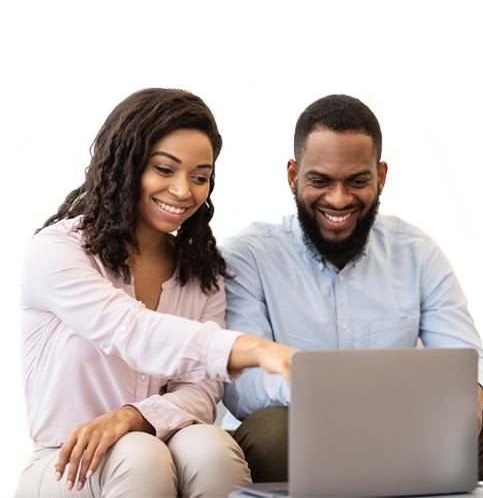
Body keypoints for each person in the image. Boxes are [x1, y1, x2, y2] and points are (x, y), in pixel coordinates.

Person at [221, 94, 483, 482]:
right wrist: (337, 394)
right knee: (270, 434)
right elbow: (242, 386)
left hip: (402, 430)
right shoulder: (247, 257)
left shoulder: (417, 253)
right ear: (294, 176)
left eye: (357, 181)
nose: (338, 199)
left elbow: (472, 361)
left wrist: (470, 395)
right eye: (320, 180)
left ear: (380, 177)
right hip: (302, 430)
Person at [16, 88, 295, 498]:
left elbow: (201, 391)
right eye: (165, 169)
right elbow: (130, 329)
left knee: (212, 448)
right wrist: (256, 350)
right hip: (65, 463)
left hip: (161, 446)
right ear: (126, 166)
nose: (184, 191)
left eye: (200, 177)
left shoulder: (201, 272)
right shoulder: (58, 251)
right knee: (139, 455)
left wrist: (135, 417)